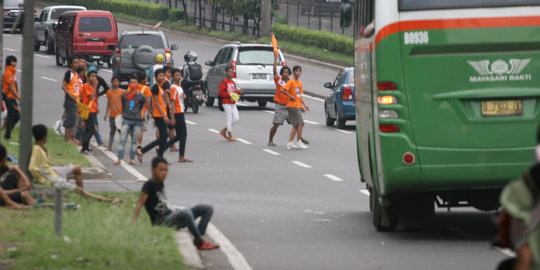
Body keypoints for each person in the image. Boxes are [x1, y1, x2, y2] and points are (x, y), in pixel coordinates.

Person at [132, 157, 219, 250]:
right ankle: (201, 241)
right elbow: (140, 204)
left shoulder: (160, 182)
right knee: (185, 212)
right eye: (161, 170)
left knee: (207, 208)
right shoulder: (149, 184)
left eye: (166, 170)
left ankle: (198, 239)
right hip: (162, 222)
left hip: (172, 215)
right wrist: (132, 223)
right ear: (152, 170)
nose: (164, 173)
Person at [29, 124, 121, 203]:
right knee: (77, 190)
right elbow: (32, 168)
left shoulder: (41, 147)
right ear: (44, 136)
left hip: (53, 171)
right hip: (51, 178)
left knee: (77, 168)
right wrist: (45, 180)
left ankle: (82, 193)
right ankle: (104, 199)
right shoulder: (37, 149)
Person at [141, 69, 171, 159]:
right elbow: (156, 103)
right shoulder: (155, 87)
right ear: (155, 76)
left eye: (163, 75)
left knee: (164, 138)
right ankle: (142, 151)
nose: (162, 77)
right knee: (163, 138)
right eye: (160, 75)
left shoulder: (161, 87)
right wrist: (164, 116)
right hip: (159, 115)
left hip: (162, 114)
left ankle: (160, 156)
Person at [115, 76, 145, 165]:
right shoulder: (124, 95)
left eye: (135, 82)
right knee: (122, 140)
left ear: (138, 84)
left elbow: (141, 106)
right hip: (126, 120)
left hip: (137, 121)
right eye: (131, 82)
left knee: (134, 141)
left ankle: (132, 159)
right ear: (129, 84)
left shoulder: (141, 96)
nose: (133, 84)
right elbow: (124, 106)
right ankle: (119, 158)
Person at [164, 68, 192, 162]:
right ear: (172, 76)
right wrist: (172, 116)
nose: (178, 76)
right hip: (177, 113)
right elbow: (171, 102)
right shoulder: (173, 88)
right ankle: (181, 157)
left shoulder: (179, 87)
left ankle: (162, 149)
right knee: (183, 135)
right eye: (176, 75)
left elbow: (178, 99)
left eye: (180, 75)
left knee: (180, 135)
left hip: (181, 111)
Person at [283, 65, 310, 150]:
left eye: (300, 71)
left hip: (297, 105)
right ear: (293, 72)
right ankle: (299, 141)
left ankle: (290, 143)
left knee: (295, 125)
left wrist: (304, 105)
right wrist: (290, 96)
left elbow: (298, 96)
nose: (298, 72)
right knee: (301, 123)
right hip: (292, 105)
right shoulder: (291, 81)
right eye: (297, 71)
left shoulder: (299, 83)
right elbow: (282, 90)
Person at [268, 54, 291, 147]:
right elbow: (274, 71)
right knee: (276, 124)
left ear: (289, 73)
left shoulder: (291, 82)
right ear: (282, 73)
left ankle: (298, 140)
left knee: (298, 124)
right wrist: (275, 59)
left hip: (290, 106)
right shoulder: (278, 80)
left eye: (287, 72)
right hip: (280, 106)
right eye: (284, 72)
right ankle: (270, 140)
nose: (285, 73)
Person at [218, 67, 244, 142]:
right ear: (226, 73)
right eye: (229, 72)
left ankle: (224, 130)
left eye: (232, 72)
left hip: (232, 103)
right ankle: (230, 136)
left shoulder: (232, 82)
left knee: (236, 119)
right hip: (226, 103)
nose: (231, 73)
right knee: (229, 118)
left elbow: (234, 92)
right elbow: (221, 93)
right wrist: (230, 94)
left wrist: (239, 92)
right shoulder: (224, 82)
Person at [61, 57, 80, 145]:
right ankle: (67, 138)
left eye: (77, 62)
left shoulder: (76, 74)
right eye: (75, 63)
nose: (77, 64)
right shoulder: (69, 73)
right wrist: (70, 95)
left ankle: (70, 138)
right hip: (70, 99)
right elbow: (63, 86)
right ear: (71, 64)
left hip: (75, 99)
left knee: (73, 118)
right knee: (70, 117)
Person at [80, 69, 99, 154]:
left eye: (95, 76)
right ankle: (84, 147)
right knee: (91, 129)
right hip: (89, 110)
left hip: (93, 109)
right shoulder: (87, 86)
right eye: (92, 76)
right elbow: (91, 97)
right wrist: (95, 86)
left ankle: (86, 147)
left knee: (88, 129)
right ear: (87, 78)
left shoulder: (91, 86)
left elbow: (94, 99)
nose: (94, 78)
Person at [104, 76, 125, 151]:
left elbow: (125, 103)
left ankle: (122, 146)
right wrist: (106, 113)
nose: (115, 83)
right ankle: (109, 146)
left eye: (117, 81)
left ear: (119, 83)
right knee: (112, 131)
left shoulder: (122, 92)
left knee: (120, 131)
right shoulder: (109, 92)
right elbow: (108, 103)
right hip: (112, 115)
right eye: (114, 81)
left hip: (120, 115)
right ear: (111, 82)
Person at [2, 56, 20, 140]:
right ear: (9, 62)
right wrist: (18, 97)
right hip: (9, 98)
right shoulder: (8, 73)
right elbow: (11, 87)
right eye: (13, 62)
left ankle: (7, 134)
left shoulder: (11, 73)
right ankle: (7, 135)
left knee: (16, 117)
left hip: (12, 98)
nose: (15, 63)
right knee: (13, 116)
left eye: (15, 62)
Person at [137, 72, 153, 153]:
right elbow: (147, 101)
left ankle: (135, 143)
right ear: (143, 80)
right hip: (141, 112)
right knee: (140, 129)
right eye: (146, 78)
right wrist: (149, 112)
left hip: (132, 111)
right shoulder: (146, 88)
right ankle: (138, 145)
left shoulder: (133, 87)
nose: (147, 80)